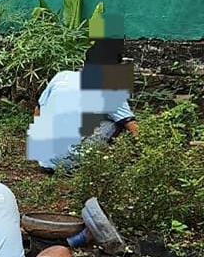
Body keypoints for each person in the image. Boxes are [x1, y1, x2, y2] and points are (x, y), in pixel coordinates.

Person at [28, 38, 138, 171]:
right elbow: (132, 127)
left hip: (43, 158)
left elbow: (38, 111)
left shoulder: (61, 76)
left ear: (84, 63)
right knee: (115, 122)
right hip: (71, 163)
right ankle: (85, 164)